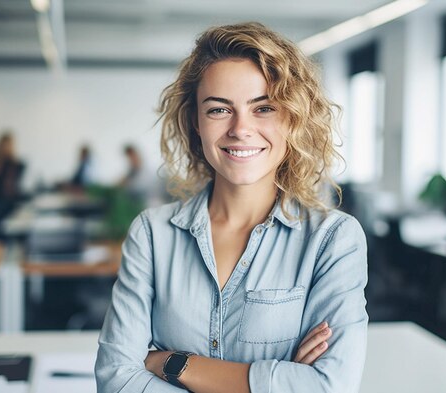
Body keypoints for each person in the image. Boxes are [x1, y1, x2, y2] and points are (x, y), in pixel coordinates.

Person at [96, 22, 368, 393]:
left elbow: (329, 387)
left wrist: (173, 364)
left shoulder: (333, 240)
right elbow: (116, 380)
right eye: (219, 110)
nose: (241, 129)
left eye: (264, 108)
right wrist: (279, 379)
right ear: (196, 121)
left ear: (293, 117)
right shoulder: (152, 234)